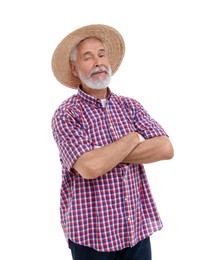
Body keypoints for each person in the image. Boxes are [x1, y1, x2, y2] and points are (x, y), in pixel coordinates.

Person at [51, 24, 174, 260]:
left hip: (135, 230)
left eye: (101, 54)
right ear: (75, 69)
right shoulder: (67, 114)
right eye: (88, 57)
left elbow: (165, 148)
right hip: (91, 238)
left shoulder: (130, 106)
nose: (98, 62)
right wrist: (133, 138)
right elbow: (89, 168)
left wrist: (105, 154)